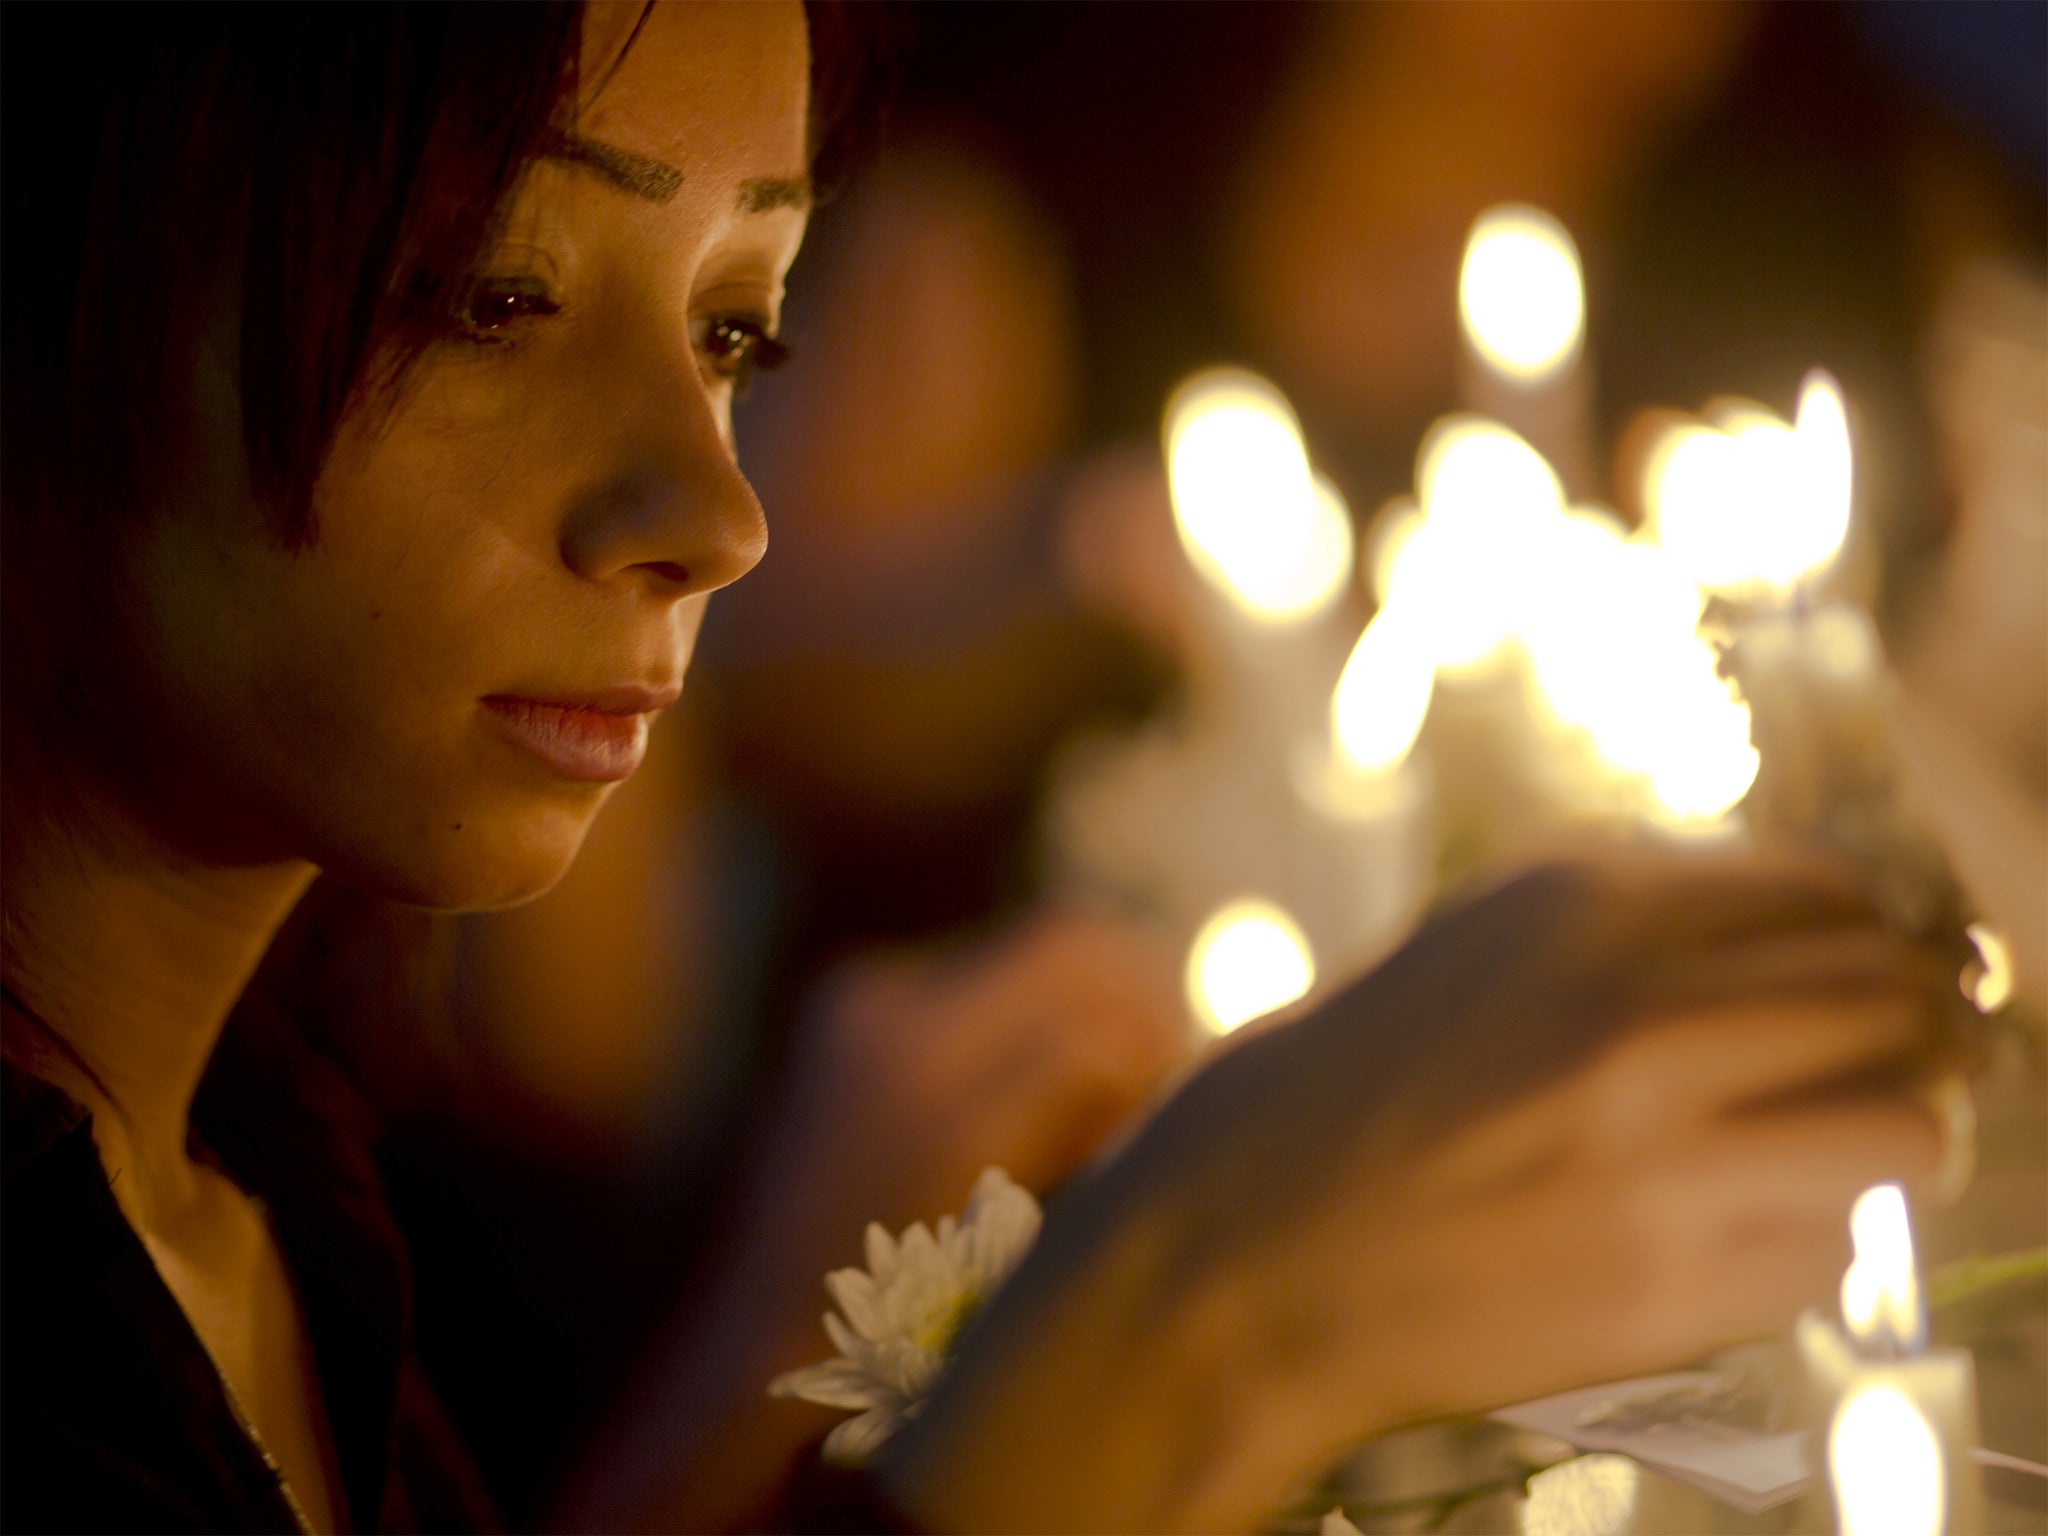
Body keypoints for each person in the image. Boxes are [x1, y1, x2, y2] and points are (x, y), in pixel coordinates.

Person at [1, 4, 1959, 1532]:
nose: (718, 510)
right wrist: (1195, 1313)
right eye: (497, 295)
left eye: (734, 330)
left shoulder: (260, 1186)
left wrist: (781, 1322)